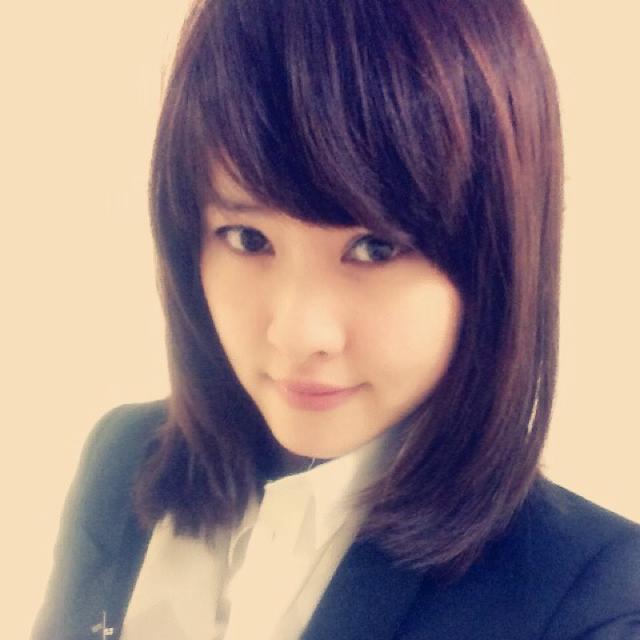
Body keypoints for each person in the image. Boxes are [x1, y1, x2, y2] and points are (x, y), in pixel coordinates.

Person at [32, 0, 640, 638]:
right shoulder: (125, 456)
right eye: (247, 238)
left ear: (495, 257)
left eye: (376, 248)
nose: (298, 335)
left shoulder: (593, 600)